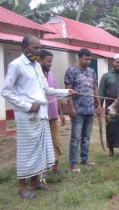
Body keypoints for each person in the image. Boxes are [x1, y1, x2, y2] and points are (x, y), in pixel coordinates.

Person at [1, 36, 77, 199]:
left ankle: (34, 182)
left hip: (41, 115)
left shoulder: (36, 66)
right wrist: (28, 106)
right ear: (24, 47)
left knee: (39, 150)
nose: (38, 51)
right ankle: (22, 188)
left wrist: (65, 92)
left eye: (39, 48)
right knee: (26, 152)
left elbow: (46, 89)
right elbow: (5, 91)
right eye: (35, 48)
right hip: (27, 116)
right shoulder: (16, 65)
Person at [64, 48, 101, 173]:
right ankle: (73, 164)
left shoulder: (91, 72)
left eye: (90, 59)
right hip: (77, 111)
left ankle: (85, 160)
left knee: (86, 137)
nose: (88, 61)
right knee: (76, 138)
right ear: (79, 58)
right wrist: (71, 107)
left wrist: (99, 105)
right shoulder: (71, 71)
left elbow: (95, 89)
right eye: (86, 59)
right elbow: (68, 91)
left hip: (90, 110)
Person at [38, 49, 66, 175]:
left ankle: (55, 166)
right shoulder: (35, 76)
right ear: (40, 60)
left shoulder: (51, 75)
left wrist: (61, 113)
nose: (50, 64)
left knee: (56, 141)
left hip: (53, 115)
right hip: (40, 116)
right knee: (41, 143)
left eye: (51, 61)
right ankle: (42, 171)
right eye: (48, 61)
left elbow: (55, 95)